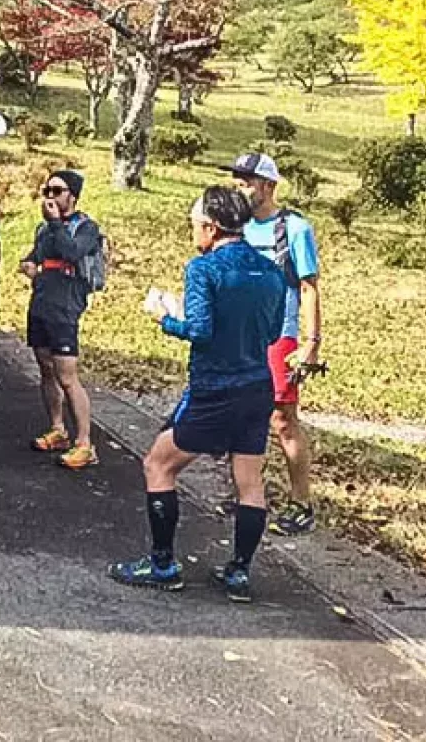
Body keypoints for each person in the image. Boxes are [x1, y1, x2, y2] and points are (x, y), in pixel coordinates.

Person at [110, 187, 285, 602]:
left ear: (210, 226)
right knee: (250, 481)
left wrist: (165, 317)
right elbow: (274, 333)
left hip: (214, 389)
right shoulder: (270, 271)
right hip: (258, 386)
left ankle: (163, 564)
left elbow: (201, 331)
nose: (193, 231)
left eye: (195, 224)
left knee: (158, 464)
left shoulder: (204, 269)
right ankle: (239, 573)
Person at [229, 153, 322, 537]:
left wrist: (311, 344)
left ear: (268, 185)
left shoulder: (294, 229)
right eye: (237, 181)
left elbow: (309, 287)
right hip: (242, 335)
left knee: (283, 420)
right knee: (243, 413)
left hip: (279, 335)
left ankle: (302, 502)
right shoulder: (237, 227)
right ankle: (249, 492)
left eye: (247, 181)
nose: (240, 187)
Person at [20, 170, 103, 470]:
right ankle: (58, 429)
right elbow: (34, 255)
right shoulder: (44, 229)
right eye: (47, 190)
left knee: (67, 375)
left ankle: (85, 443)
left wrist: (56, 223)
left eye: (57, 190)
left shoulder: (86, 228)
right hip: (41, 303)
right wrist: (28, 265)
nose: (51, 196)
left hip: (66, 307)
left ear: (73, 196)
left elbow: (72, 252)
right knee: (45, 368)